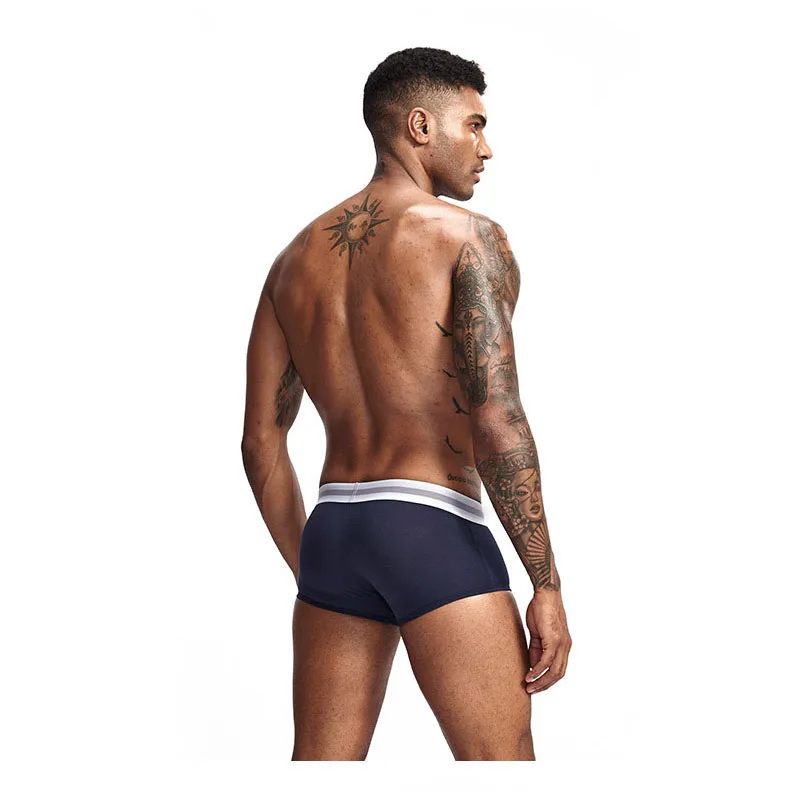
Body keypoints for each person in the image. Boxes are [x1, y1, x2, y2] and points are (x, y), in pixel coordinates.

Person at [241, 46, 571, 761]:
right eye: (474, 125)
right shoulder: (468, 239)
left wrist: (315, 568)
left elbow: (260, 442)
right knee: (501, 767)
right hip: (431, 526)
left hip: (333, 531)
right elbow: (496, 417)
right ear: (421, 125)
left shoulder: (292, 263)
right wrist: (544, 584)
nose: (486, 148)